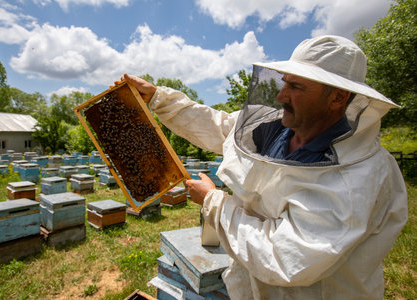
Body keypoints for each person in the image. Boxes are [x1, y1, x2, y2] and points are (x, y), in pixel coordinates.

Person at [117, 35, 408, 299]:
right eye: (285, 82)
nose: (282, 95)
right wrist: (157, 98)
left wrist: (212, 202)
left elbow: (284, 257)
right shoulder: (273, 127)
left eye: (295, 86)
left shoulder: (360, 178)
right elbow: (219, 126)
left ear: (337, 97)